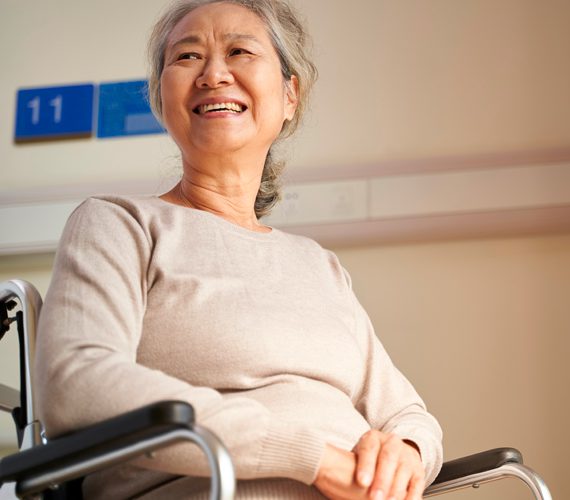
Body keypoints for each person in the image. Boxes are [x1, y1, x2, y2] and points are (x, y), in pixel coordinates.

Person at [33, 0, 443, 499]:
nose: (213, 74)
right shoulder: (119, 224)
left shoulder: (319, 265)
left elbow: (405, 413)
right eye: (186, 57)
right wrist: (310, 458)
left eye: (240, 51)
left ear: (290, 95)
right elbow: (77, 385)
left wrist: (407, 450)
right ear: (162, 99)